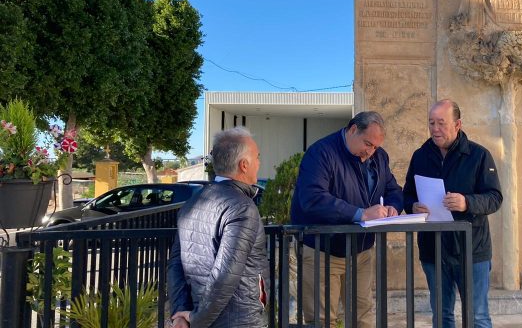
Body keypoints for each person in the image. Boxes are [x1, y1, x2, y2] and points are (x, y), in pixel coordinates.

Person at [290, 111, 404, 328]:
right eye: (368, 144)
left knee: (362, 319)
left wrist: (393, 207)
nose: (370, 152)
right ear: (353, 129)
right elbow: (312, 199)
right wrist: (361, 213)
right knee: (321, 321)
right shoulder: (321, 153)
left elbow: (393, 190)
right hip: (322, 251)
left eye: (376, 147)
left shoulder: (380, 157)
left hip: (361, 252)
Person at [403, 99, 502, 328]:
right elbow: (407, 194)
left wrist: (467, 202)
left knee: (478, 317)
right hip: (433, 250)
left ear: (457, 125)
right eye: (431, 123)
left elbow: (495, 198)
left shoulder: (479, 155)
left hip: (472, 250)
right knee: (441, 316)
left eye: (441, 123)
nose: (435, 129)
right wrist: (413, 206)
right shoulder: (420, 156)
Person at [167, 127, 268, 328]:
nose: (259, 163)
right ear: (244, 165)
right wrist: (196, 320)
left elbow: (176, 264)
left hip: (202, 315)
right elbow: (224, 276)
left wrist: (180, 313)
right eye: (257, 157)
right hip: (240, 320)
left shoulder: (193, 201)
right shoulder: (242, 207)